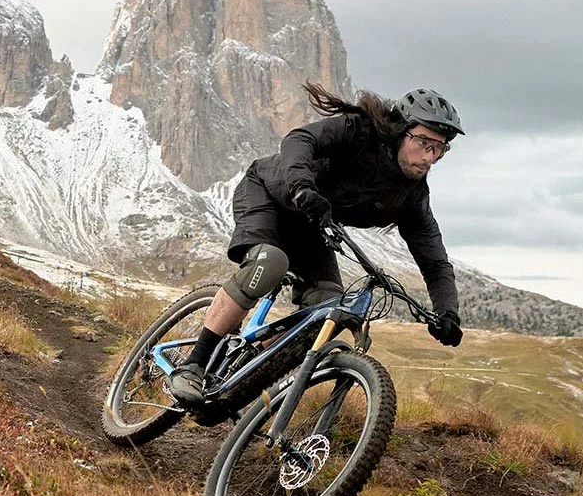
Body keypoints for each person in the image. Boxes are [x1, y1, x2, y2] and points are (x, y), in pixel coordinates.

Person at [168, 83, 466, 405]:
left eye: (440, 149)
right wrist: (302, 186)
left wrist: (447, 312)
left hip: (312, 226)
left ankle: (247, 373)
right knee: (268, 263)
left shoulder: (412, 197)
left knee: (328, 308)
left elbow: (435, 263)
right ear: (401, 130)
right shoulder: (359, 131)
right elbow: (299, 140)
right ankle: (193, 365)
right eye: (423, 143)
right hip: (269, 195)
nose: (430, 157)